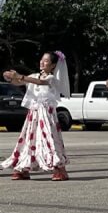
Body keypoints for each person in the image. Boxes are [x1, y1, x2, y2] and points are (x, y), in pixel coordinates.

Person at [1, 51, 70, 181]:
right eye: (41, 60)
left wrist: (20, 76)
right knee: (29, 139)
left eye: (46, 61)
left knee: (49, 140)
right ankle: (23, 168)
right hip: (34, 113)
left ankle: (59, 169)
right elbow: (20, 82)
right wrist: (10, 77)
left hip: (46, 114)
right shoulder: (33, 76)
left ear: (53, 65)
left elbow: (39, 82)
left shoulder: (52, 79)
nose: (42, 62)